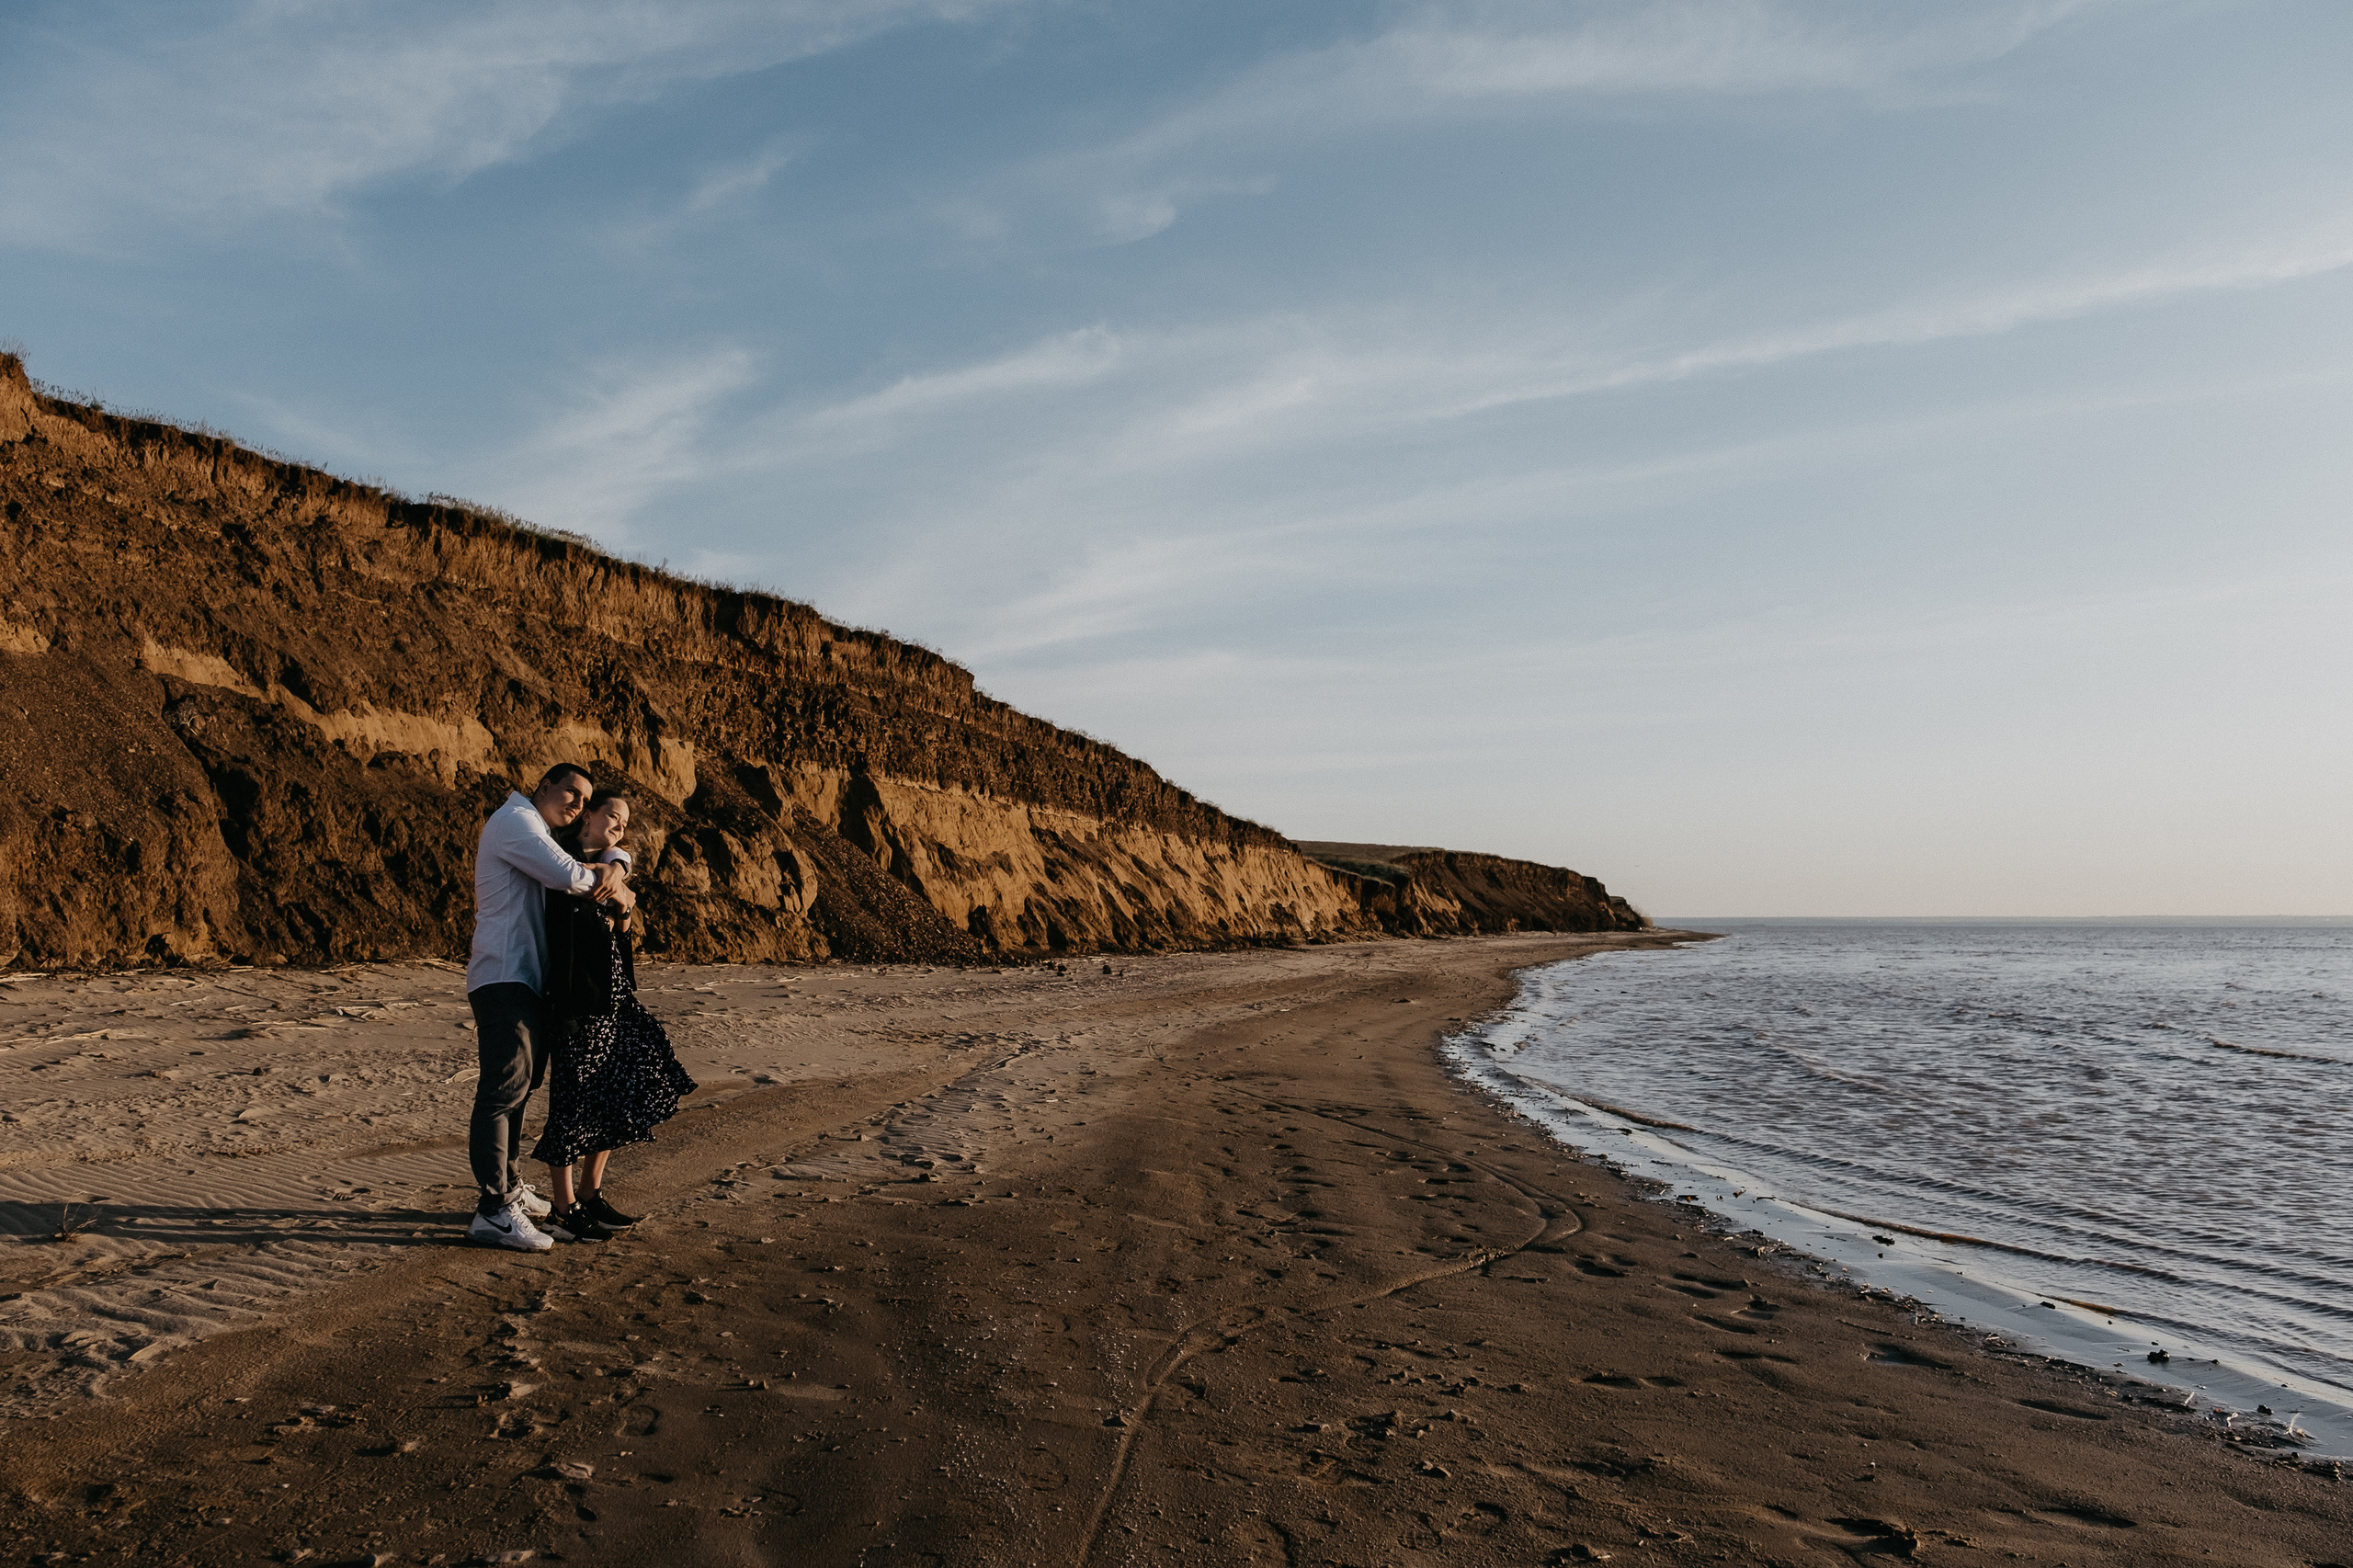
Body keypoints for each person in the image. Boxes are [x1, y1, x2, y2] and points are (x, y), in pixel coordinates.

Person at [464, 764, 632, 1251]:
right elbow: (569, 876)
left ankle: (509, 1189)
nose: (577, 805)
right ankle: (493, 1210)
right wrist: (615, 884)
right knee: (502, 1092)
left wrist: (616, 867)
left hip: (525, 980)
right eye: (570, 793)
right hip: (502, 975)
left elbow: (607, 852)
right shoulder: (515, 821)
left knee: (518, 1089)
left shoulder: (539, 828)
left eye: (584, 800)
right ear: (542, 787)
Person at [532, 789, 696, 1243]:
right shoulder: (559, 862)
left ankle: (590, 1192)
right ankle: (564, 1206)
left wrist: (623, 907)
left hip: (616, 1000)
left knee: (627, 1088)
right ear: (587, 818)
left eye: (625, 820)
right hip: (578, 1003)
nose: (621, 825)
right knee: (573, 1100)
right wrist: (610, 872)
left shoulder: (611, 867)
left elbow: (621, 945)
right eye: (613, 816)